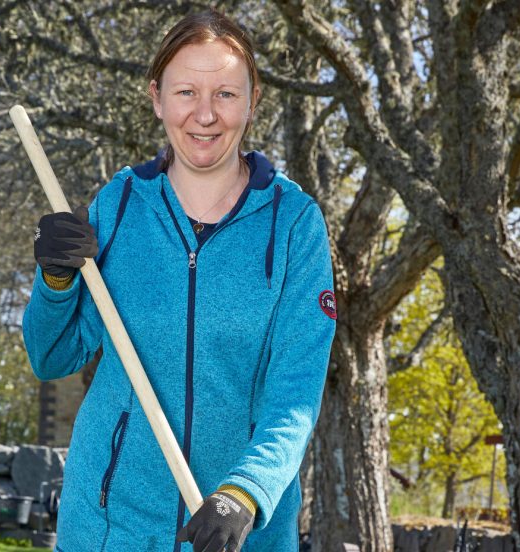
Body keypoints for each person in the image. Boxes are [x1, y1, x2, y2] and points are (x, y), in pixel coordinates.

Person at [23, 9, 336, 551]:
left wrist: (245, 491)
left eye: (227, 94)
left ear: (253, 99)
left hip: (238, 530)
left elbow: (297, 391)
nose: (206, 115)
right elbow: (52, 358)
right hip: (109, 527)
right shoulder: (120, 207)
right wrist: (55, 281)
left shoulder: (294, 225)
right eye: (187, 92)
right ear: (157, 98)